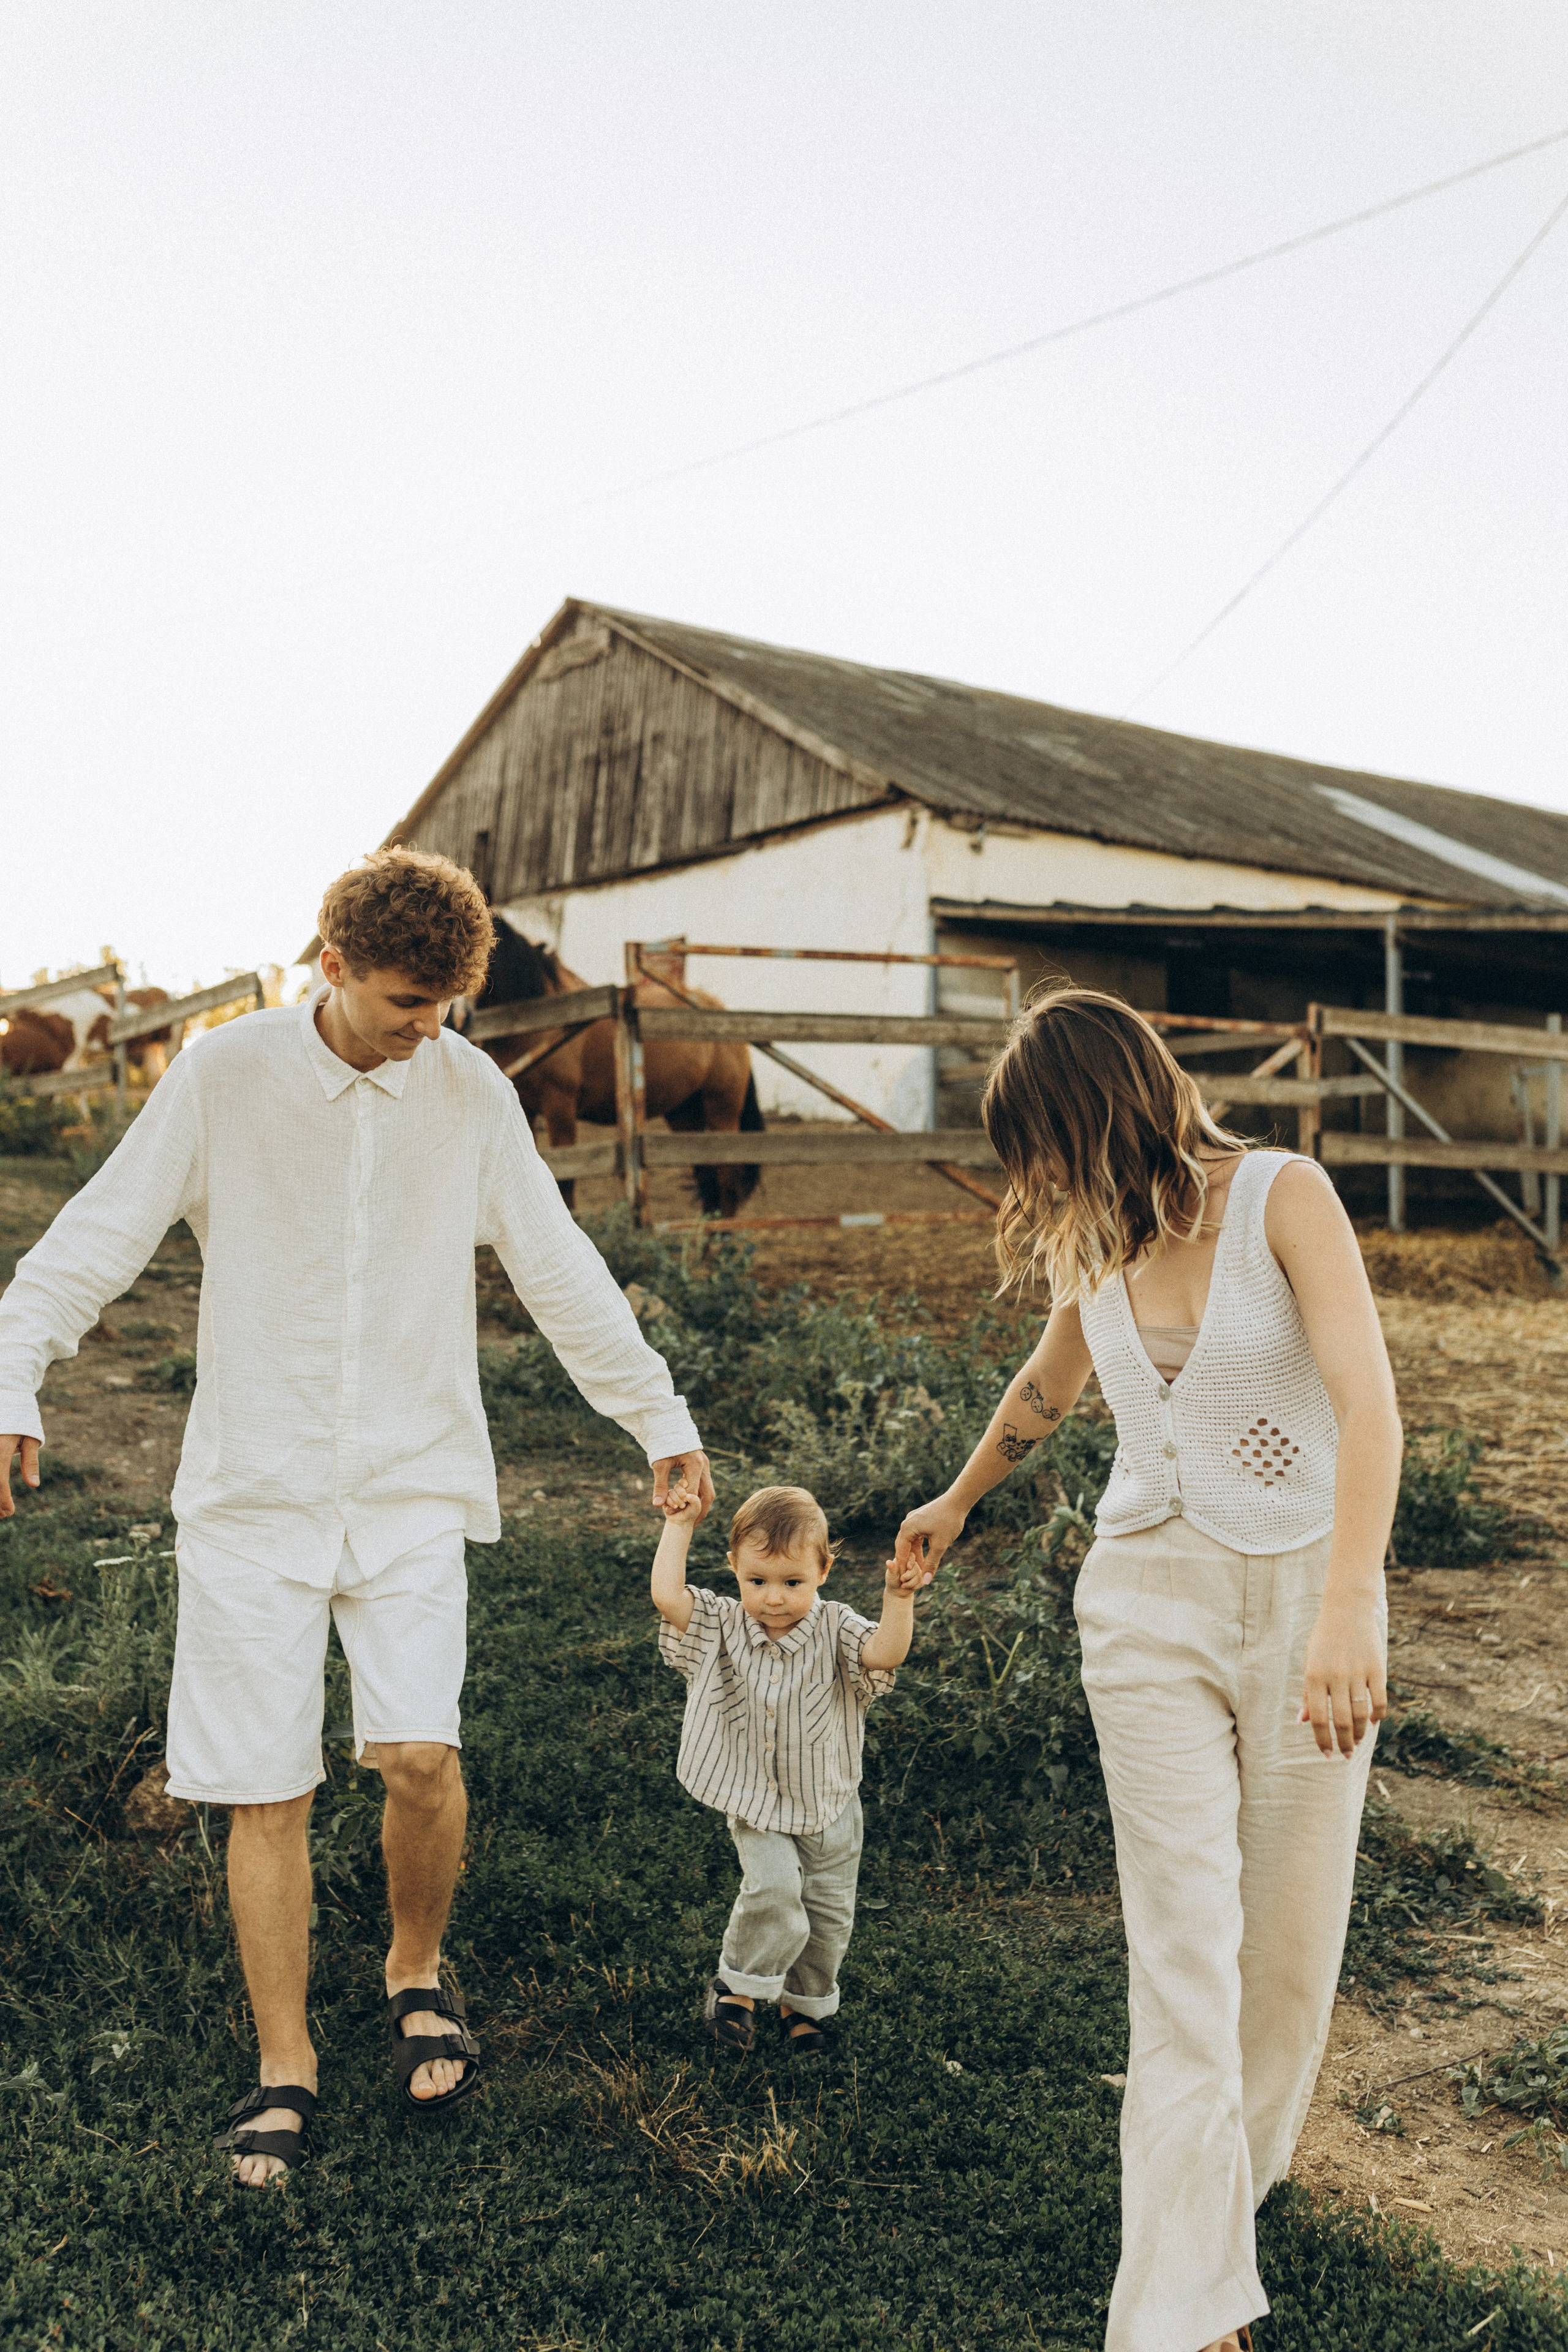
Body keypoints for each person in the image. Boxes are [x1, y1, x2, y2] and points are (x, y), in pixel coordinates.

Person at [0, 849, 712, 2187]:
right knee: (266, 1788)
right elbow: (98, 1235)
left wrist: (657, 1418)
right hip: (252, 1493)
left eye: (445, 1008)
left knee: (421, 1756)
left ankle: (414, 1966)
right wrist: (12, 1370)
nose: (424, 1031)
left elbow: (556, 1268)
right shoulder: (221, 1078)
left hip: (409, 1481)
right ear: (329, 966)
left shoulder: (471, 1091)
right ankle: (286, 2062)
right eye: (403, 1005)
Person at [894, 989, 1399, 2352]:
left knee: (1286, 1953)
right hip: (1141, 1608)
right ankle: (1176, 2307)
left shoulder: (1282, 1198)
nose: (1037, 1183)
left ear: (1102, 1112)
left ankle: (1230, 2186)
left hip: (1305, 1597)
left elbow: (1368, 1407)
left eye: (1044, 1149)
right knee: (1182, 1950)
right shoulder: (1092, 1246)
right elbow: (1046, 1389)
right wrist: (954, 1500)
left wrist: (1347, 1606)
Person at [652, 1480, 919, 2054]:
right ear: (734, 1569)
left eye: (792, 1582)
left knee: (826, 1916)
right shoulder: (721, 1624)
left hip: (829, 1802)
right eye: (758, 1581)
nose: (774, 1597)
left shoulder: (838, 1628)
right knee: (774, 1891)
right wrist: (679, 1527)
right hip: (757, 1799)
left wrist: (899, 1599)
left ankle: (804, 2006)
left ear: (824, 1570)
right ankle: (739, 1989)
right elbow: (669, 1599)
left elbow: (884, 1656)